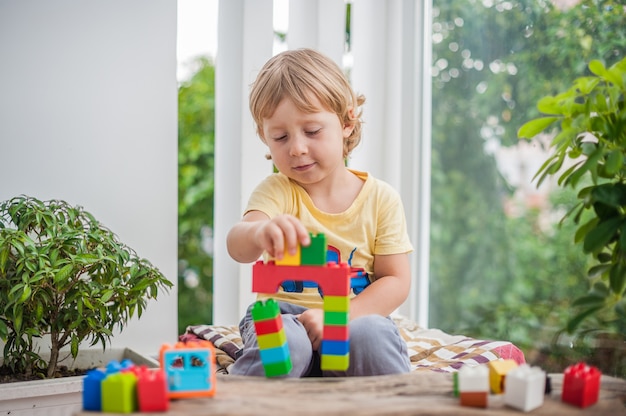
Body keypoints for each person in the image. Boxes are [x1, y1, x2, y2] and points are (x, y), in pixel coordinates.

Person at [226, 48, 413, 377]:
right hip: (283, 317)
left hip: (354, 317)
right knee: (285, 343)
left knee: (371, 335)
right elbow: (237, 244)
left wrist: (338, 317)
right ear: (264, 138)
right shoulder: (277, 191)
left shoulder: (381, 199)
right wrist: (258, 233)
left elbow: (396, 280)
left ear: (346, 122)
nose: (296, 148)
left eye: (312, 131)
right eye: (280, 137)